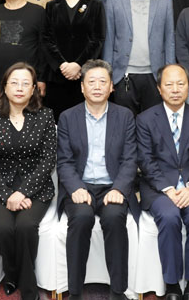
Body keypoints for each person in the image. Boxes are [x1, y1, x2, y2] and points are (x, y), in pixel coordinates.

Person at [56, 60, 138, 300]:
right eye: (91, 82)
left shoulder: (124, 116)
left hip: (112, 187)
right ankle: (75, 292)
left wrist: (119, 189)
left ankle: (117, 291)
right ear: (82, 87)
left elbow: (130, 159)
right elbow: (64, 161)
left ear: (112, 87)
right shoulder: (68, 117)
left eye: (103, 81)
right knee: (81, 218)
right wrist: (76, 187)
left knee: (114, 218)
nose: (97, 86)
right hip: (80, 186)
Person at [137, 64, 189, 300]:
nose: (175, 89)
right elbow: (145, 160)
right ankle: (172, 284)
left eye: (180, 84)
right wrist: (168, 188)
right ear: (159, 88)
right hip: (160, 188)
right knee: (169, 217)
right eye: (169, 84)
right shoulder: (145, 119)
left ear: (188, 87)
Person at [0, 63, 56, 300]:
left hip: (36, 189)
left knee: (25, 227)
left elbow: (48, 160)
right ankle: (12, 271)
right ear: (4, 87)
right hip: (0, 188)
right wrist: (7, 195)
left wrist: (22, 192)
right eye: (14, 83)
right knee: (1, 230)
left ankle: (27, 288)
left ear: (34, 89)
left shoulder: (45, 116)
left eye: (26, 84)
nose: (20, 88)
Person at [104, 0, 175, 115]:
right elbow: (109, 38)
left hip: (155, 74)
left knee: (152, 122)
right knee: (125, 122)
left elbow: (169, 38)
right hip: (123, 74)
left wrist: (169, 74)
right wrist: (108, 75)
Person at [43, 0, 106, 121]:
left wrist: (78, 65)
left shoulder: (95, 5)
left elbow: (98, 39)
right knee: (58, 121)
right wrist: (63, 65)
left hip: (85, 76)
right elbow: (47, 40)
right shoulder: (52, 6)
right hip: (57, 76)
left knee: (84, 121)